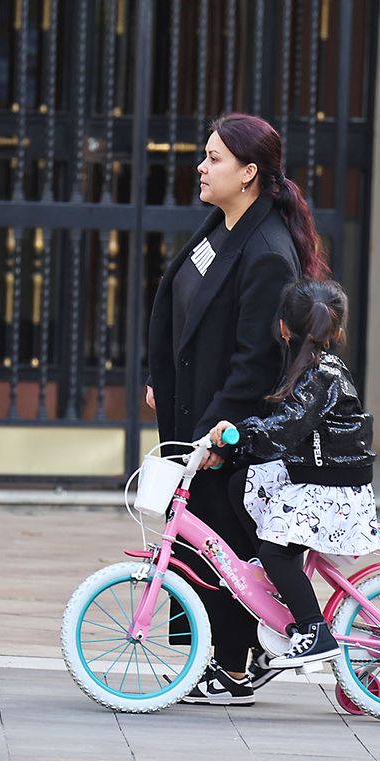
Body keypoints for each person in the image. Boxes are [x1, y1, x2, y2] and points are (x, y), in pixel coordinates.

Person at [144, 112, 329, 706]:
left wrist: (212, 437)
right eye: (205, 154)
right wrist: (160, 378)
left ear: (249, 173)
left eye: (215, 158)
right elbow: (185, 309)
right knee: (203, 543)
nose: (202, 166)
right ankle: (214, 659)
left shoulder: (268, 249)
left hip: (226, 426)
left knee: (222, 541)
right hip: (191, 408)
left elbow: (255, 363)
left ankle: (233, 662)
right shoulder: (221, 227)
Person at [207, 276, 379, 669]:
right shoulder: (311, 369)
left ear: (282, 327)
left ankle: (313, 630)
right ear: (336, 331)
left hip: (335, 490)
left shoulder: (323, 376)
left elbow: (282, 431)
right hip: (317, 478)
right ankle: (275, 578)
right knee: (242, 484)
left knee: (276, 552)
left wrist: (234, 435)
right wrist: (234, 449)